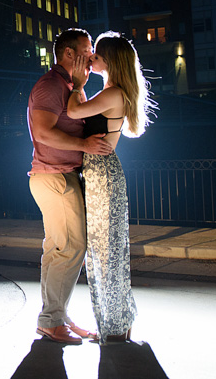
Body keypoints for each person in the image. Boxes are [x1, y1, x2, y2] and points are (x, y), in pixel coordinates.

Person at [27, 28, 114, 345]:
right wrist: (84, 145)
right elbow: (44, 133)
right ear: (68, 54)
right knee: (73, 247)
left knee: (55, 250)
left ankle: (56, 316)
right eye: (87, 50)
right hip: (56, 177)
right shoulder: (51, 85)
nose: (91, 56)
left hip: (53, 176)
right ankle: (51, 320)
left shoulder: (68, 86)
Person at [66, 31, 154, 345]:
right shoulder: (110, 90)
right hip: (100, 175)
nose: (91, 59)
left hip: (102, 176)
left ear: (110, 61)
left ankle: (116, 327)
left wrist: (77, 84)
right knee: (108, 253)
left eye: (96, 56)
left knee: (107, 254)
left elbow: (75, 112)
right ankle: (118, 324)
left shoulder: (114, 93)